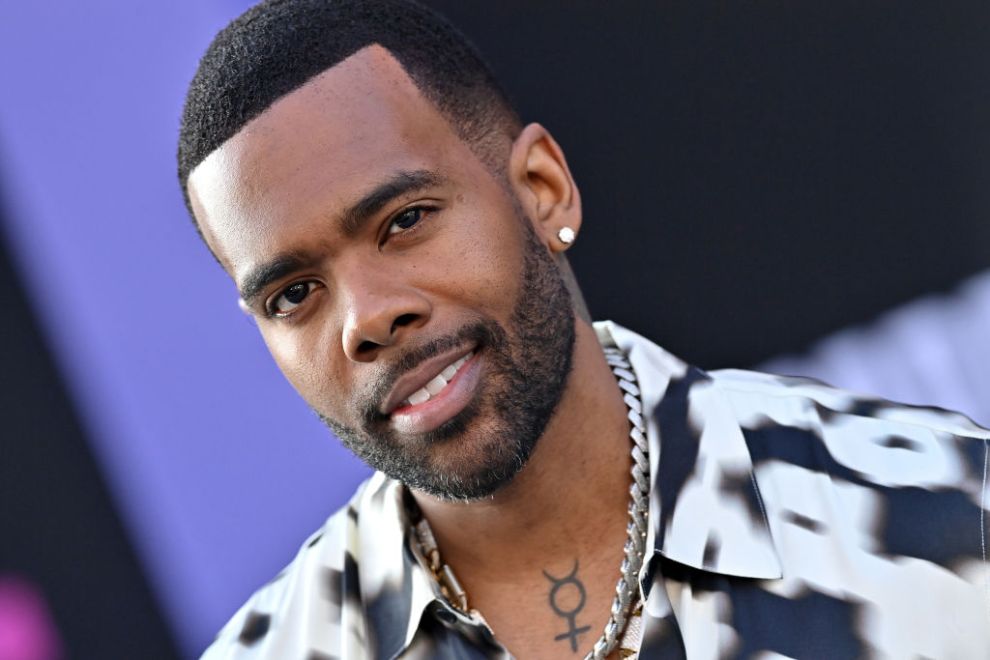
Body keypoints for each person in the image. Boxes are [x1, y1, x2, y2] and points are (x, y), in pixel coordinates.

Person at [178, 1, 990, 657]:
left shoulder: (944, 526)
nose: (366, 318)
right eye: (293, 295)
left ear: (543, 188)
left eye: (406, 220)